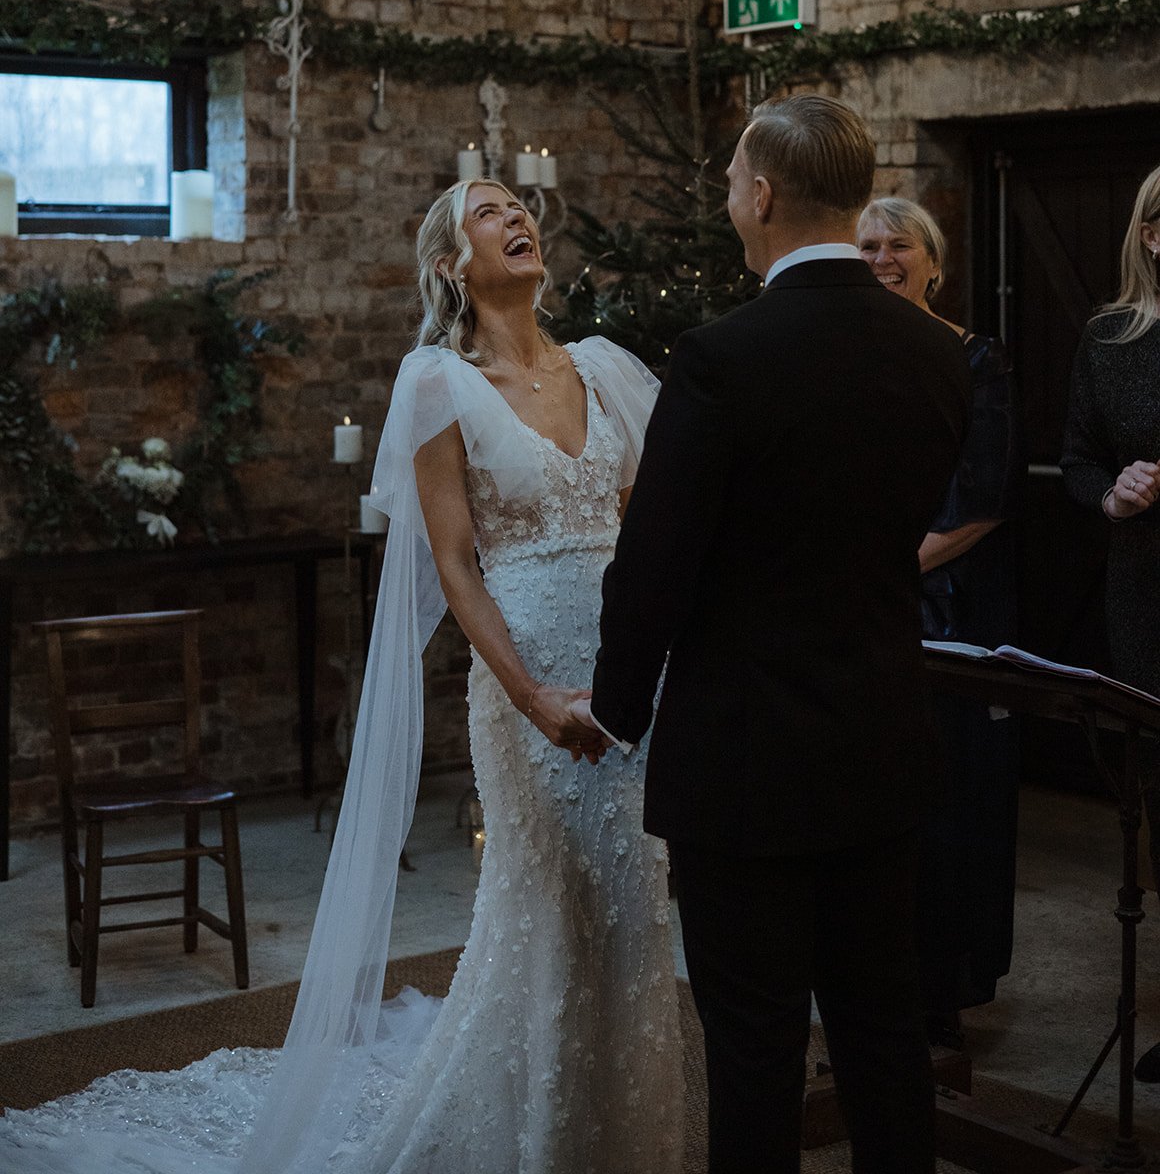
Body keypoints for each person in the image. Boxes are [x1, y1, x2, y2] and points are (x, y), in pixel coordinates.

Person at [0, 179, 683, 1174]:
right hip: (524, 678)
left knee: (630, 906)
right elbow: (453, 563)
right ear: (453, 264)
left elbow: (644, 533)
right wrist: (534, 698)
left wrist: (644, 668)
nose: (514, 217)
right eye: (485, 212)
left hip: (622, 681)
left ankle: (616, 1142)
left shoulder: (606, 371)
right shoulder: (435, 384)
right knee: (550, 903)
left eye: (517, 205)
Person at [584, 95, 972, 1174]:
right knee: (881, 1034)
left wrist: (611, 709)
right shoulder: (937, 353)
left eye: (728, 181)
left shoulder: (720, 356)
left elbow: (653, 565)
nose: (723, 197)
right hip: (881, 739)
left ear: (759, 194)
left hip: (747, 759)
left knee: (753, 1049)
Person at [857, 196, 1022, 1046]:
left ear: (934, 263)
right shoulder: (842, 356)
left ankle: (947, 990)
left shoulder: (975, 359)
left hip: (951, 606)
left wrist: (887, 569)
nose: (884, 257)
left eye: (900, 245)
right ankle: (874, 982)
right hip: (865, 605)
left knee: (955, 796)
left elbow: (982, 500)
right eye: (869, 245)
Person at [1061, 163, 1160, 1079]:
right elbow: (1078, 459)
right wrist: (1115, 494)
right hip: (1147, 591)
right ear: (1152, 235)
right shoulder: (1112, 338)